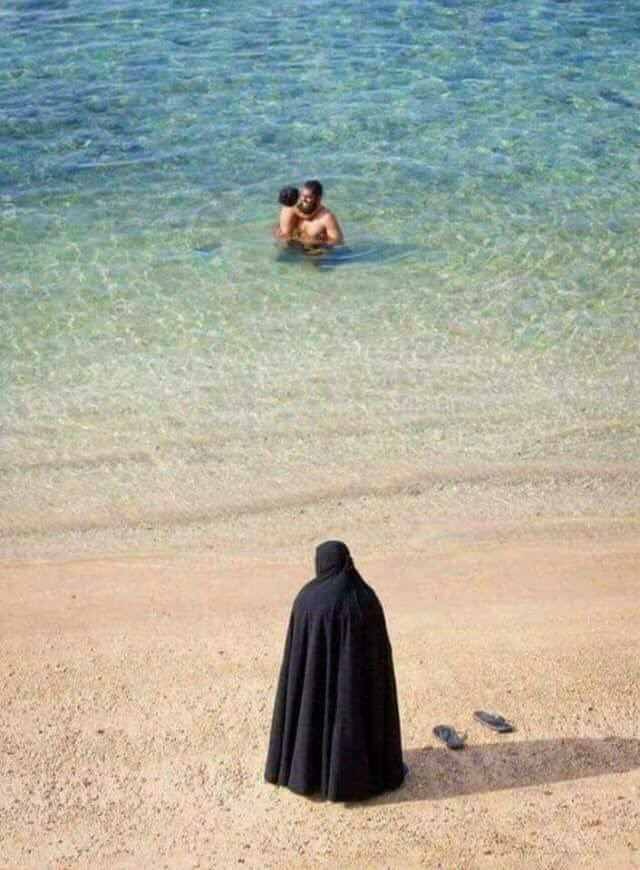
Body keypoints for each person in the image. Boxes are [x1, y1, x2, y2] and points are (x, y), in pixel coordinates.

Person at [265, 540, 405, 802]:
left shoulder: (306, 600)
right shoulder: (366, 599)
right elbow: (378, 669)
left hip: (314, 690)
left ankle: (309, 770)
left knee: (312, 701)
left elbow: (296, 668)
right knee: (351, 706)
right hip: (356, 695)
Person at [294, 179, 344, 247]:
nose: (303, 199)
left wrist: (316, 241)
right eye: (302, 195)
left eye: (308, 197)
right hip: (298, 248)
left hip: (318, 253)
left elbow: (338, 241)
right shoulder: (296, 211)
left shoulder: (327, 218)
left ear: (318, 199)